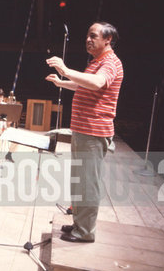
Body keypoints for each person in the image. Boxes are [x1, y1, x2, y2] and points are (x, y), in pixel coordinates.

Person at [45, 22, 123, 243]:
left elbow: (97, 83)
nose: (88, 39)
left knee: (88, 183)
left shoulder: (110, 62)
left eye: (93, 36)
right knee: (79, 181)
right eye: (87, 35)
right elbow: (83, 85)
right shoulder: (97, 62)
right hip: (83, 131)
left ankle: (86, 232)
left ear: (108, 40)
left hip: (94, 132)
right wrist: (62, 82)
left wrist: (66, 69)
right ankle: (80, 224)